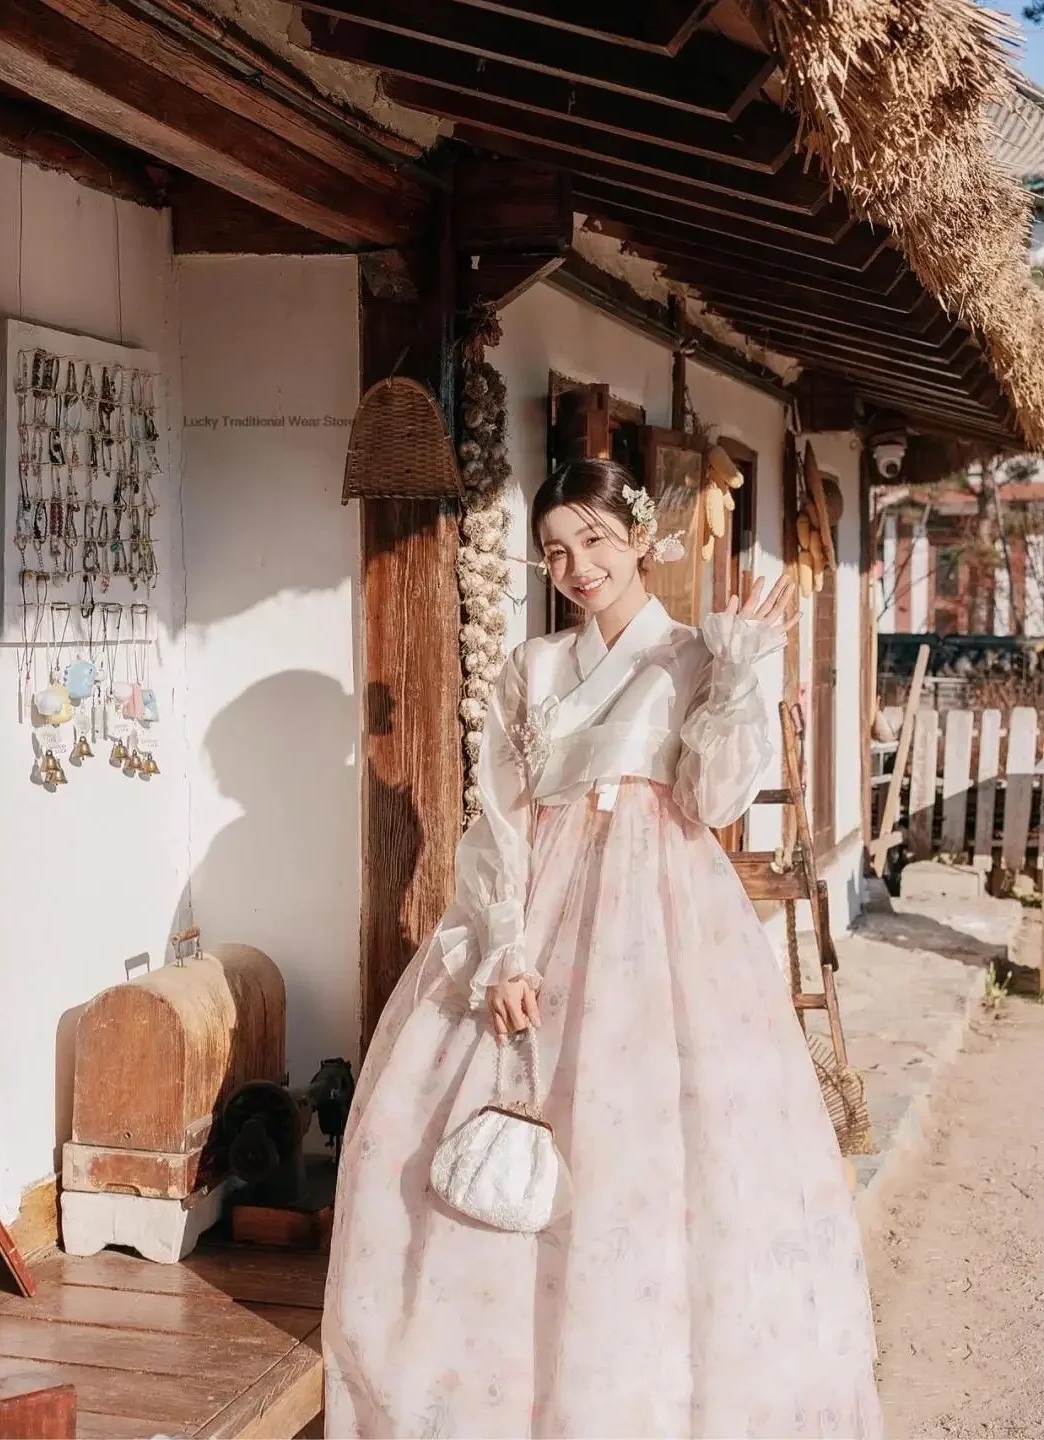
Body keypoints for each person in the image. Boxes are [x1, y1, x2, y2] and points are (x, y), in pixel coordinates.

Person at [322, 457, 883, 1439]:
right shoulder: (533, 668)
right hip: (541, 912)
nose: (577, 565)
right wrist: (501, 950)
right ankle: (510, 1385)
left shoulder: (697, 657)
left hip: (670, 926)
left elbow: (713, 802)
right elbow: (496, 816)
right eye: (555, 551)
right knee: (493, 1130)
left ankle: (646, 1389)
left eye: (592, 539)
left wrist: (746, 668)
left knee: (661, 1146)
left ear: (635, 538)